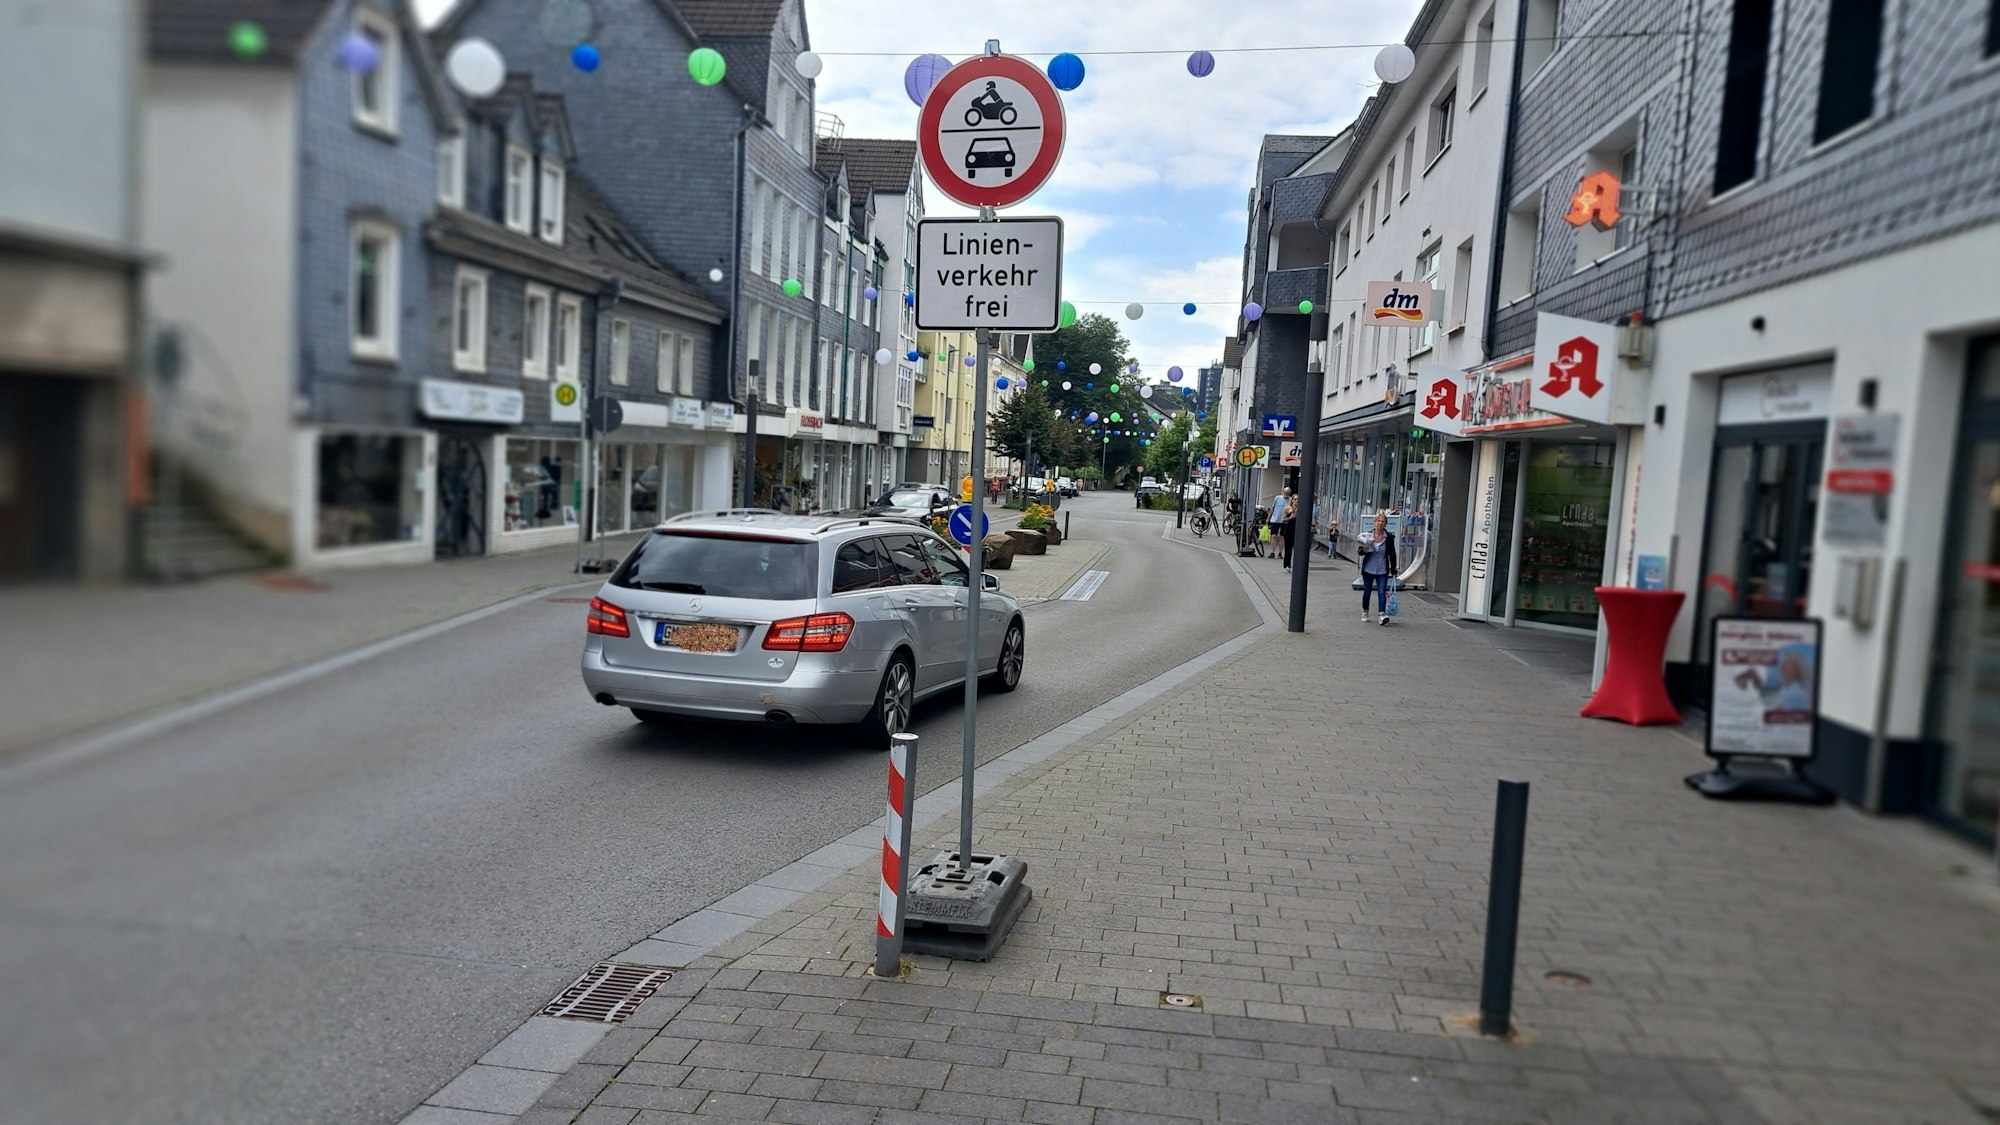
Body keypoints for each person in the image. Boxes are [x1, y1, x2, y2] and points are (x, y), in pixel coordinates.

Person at [1358, 512, 1399, 625]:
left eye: (1382, 521)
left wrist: (1394, 569)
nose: (1380, 523)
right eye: (1378, 521)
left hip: (1382, 570)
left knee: (1382, 592)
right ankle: (1365, 611)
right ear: (1374, 522)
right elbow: (1360, 551)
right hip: (1368, 569)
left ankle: (1382, 614)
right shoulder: (1367, 536)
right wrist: (1363, 550)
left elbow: (1392, 554)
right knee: (1367, 592)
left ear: (1385, 523)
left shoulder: (1388, 538)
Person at [1267, 486, 1290, 563]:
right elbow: (1272, 508)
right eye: (1285, 492)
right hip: (1275, 519)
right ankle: (1272, 552)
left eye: (1288, 493)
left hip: (1284, 520)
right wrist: (1268, 518)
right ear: (1283, 492)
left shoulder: (1290, 500)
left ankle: (1280, 552)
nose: (1286, 494)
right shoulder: (1277, 498)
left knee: (1282, 537)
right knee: (1273, 536)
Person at [1280, 492, 1299, 570]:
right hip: (1289, 530)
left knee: (1297, 549)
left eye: (1298, 499)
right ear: (1292, 500)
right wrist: (1291, 517)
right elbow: (1283, 520)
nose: (1297, 501)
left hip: (1297, 531)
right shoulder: (1288, 508)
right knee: (1288, 549)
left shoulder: (1301, 509)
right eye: (1295, 499)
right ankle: (1287, 565)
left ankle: (1297, 566)